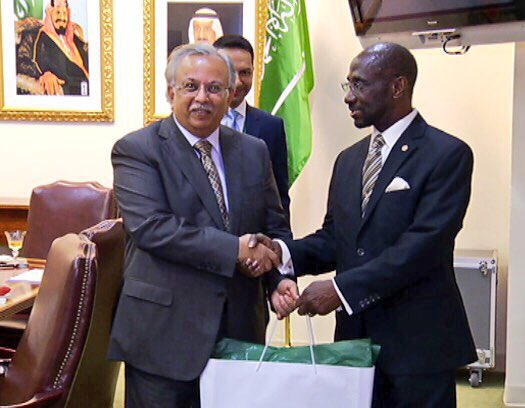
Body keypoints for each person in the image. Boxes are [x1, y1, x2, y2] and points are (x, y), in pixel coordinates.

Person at [254, 42, 477, 407]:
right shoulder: (349, 160)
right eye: (348, 85)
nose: (348, 96)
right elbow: (335, 239)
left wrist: (339, 290)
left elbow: (423, 247)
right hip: (355, 342)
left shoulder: (447, 154)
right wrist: (281, 252)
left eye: (359, 84)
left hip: (418, 345)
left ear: (397, 86)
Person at [107, 43, 295, 407]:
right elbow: (152, 228)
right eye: (191, 86)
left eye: (214, 88)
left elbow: (274, 224)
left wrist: (278, 277)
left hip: (239, 329)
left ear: (230, 94)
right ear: (171, 91)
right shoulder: (137, 150)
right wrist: (235, 249)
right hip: (164, 336)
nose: (202, 98)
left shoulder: (254, 150)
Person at [213, 35, 291, 220]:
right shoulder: (198, 123)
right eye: (230, 73)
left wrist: (281, 237)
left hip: (255, 234)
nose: (238, 82)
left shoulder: (271, 126)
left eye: (245, 73)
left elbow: (280, 198)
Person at [16, 0, 89, 96]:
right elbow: (21, 61)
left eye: (65, 13)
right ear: (50, 13)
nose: (62, 18)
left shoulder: (75, 38)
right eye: (58, 12)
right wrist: (44, 74)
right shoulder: (34, 35)